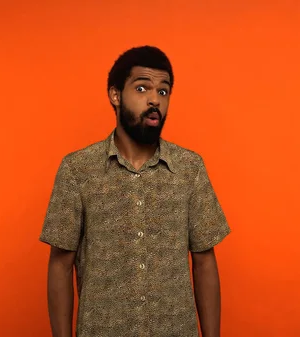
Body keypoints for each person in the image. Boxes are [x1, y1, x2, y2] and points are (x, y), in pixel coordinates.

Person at [39, 45, 231, 337]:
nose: (154, 99)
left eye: (163, 92)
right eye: (142, 88)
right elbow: (61, 265)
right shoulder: (78, 170)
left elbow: (204, 262)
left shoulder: (190, 168)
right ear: (115, 95)